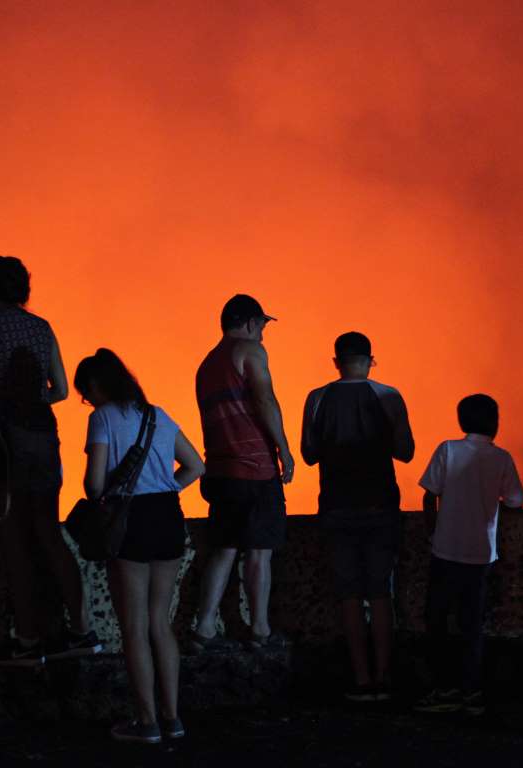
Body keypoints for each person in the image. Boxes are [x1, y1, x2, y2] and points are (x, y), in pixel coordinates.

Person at [0, 255, 100, 664]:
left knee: (15, 542)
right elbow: (61, 389)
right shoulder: (43, 328)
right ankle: (80, 629)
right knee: (49, 535)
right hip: (45, 441)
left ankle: (27, 639)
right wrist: (34, 400)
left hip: (7, 444)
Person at [75, 349, 204, 744]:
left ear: (96, 385)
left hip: (128, 522)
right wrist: (166, 490)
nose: (87, 400)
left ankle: (146, 721)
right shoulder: (157, 415)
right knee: (159, 623)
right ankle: (173, 718)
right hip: (167, 516)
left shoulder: (102, 419)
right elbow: (196, 465)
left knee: (133, 627)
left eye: (85, 393)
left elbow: (95, 485)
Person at [300, 332, 414, 702]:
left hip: (336, 506)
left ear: (336, 361)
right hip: (380, 505)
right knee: (381, 593)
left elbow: (309, 454)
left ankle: (361, 679)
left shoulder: (317, 398)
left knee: (348, 594)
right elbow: (406, 451)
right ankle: (384, 676)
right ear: (370, 359)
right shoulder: (389, 396)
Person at [191, 294, 294, 651]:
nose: (263, 334)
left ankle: (203, 626)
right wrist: (284, 449)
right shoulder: (250, 352)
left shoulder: (206, 365)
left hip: (220, 469)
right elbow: (265, 400)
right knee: (259, 552)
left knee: (223, 548)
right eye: (262, 326)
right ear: (250, 323)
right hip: (255, 468)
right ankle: (260, 628)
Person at [414, 394, 523, 715]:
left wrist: (432, 531)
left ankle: (441, 688)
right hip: (481, 555)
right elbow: (517, 500)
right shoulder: (502, 458)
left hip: (445, 550)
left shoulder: (448, 450)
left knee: (436, 621)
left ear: (461, 420)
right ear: (495, 424)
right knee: (471, 625)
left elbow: (429, 495)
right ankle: (470, 691)